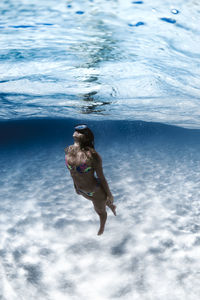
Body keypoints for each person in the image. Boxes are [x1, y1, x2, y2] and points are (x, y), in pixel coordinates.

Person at [64, 124, 116, 235]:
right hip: (81, 191)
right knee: (101, 204)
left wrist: (110, 195)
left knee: (101, 213)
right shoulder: (68, 150)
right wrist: (75, 187)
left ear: (87, 137)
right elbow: (72, 172)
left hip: (96, 192)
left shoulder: (93, 155)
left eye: (82, 131)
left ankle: (101, 230)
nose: (77, 131)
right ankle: (111, 205)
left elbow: (101, 178)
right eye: (76, 129)